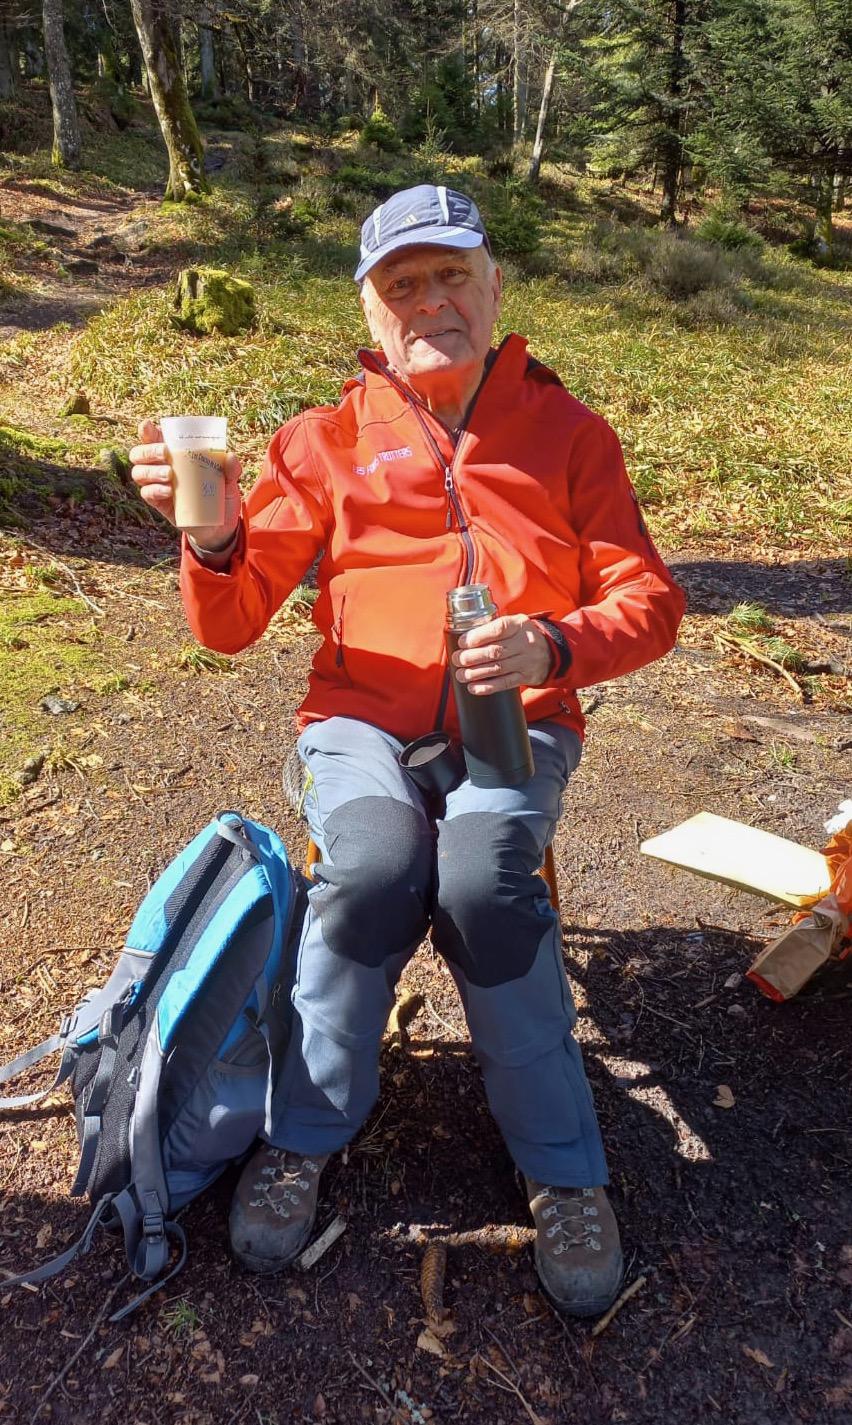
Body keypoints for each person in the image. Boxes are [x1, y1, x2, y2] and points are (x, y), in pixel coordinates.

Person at [130, 184, 685, 1318]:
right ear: (371, 313)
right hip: (360, 721)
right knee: (377, 865)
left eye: (450, 276)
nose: (430, 301)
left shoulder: (570, 435)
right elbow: (231, 624)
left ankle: (563, 1169)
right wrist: (217, 538)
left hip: (516, 721)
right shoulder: (322, 442)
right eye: (402, 285)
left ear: (494, 289)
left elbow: (651, 600)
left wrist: (555, 644)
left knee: (484, 880)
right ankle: (302, 1135)